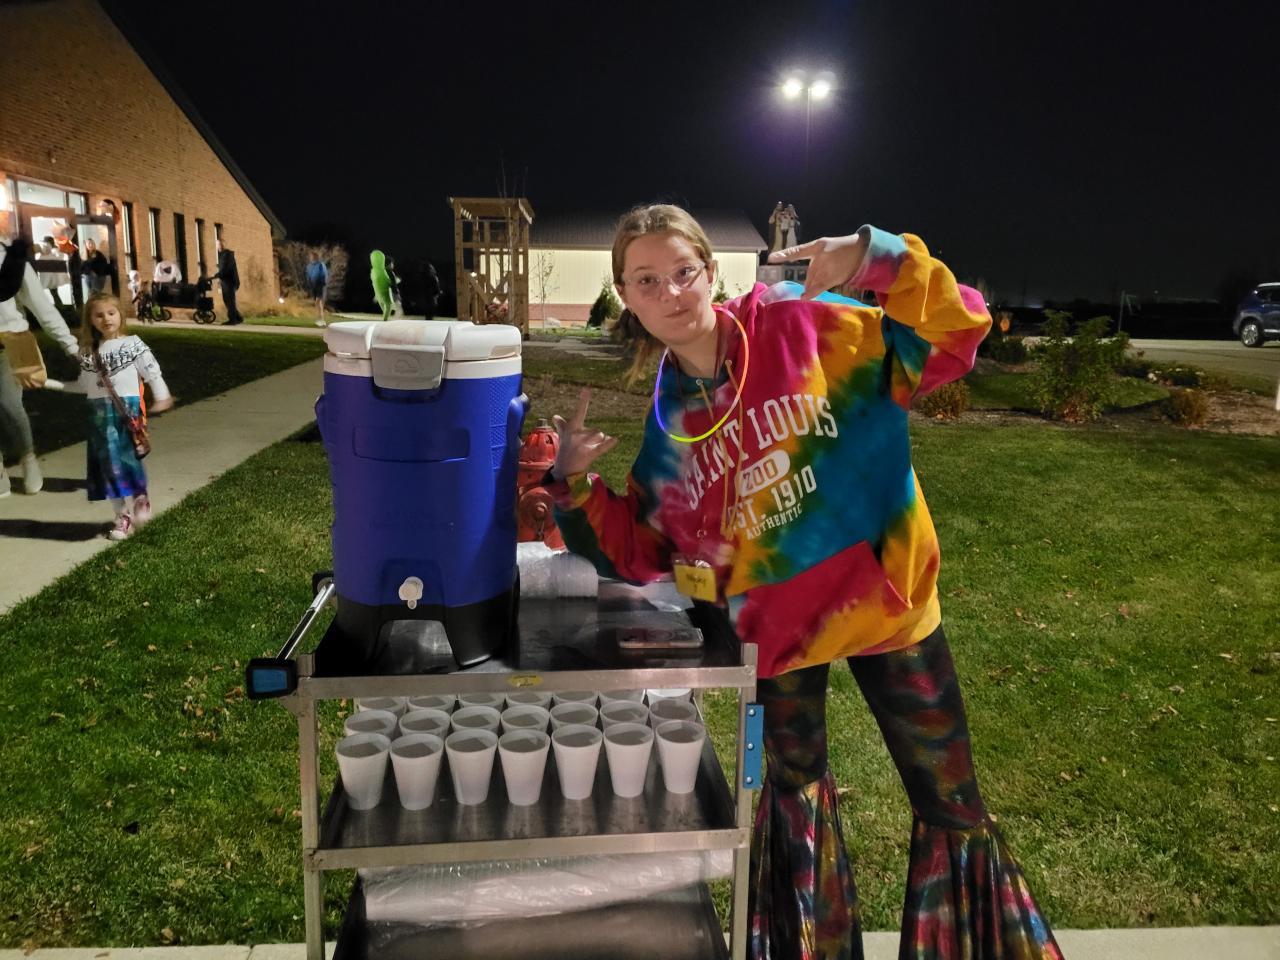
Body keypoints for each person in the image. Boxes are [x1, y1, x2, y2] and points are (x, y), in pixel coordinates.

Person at [547, 204, 1063, 959]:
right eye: (646, 281)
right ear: (626, 296)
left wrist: (876, 259)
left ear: (710, 272)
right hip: (780, 641)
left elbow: (953, 333)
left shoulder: (800, 323)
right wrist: (572, 485)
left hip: (887, 603)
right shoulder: (671, 423)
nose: (671, 294)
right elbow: (645, 549)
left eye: (683, 272)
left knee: (951, 804)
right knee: (794, 804)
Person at [65, 293, 173, 540]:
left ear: (120, 315)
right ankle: (121, 516)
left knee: (128, 459)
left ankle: (140, 499)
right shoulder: (87, 352)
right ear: (90, 320)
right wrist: (47, 383)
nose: (106, 319)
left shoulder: (133, 344)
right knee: (107, 466)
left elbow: (152, 373)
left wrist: (162, 396)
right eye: (99, 315)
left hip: (127, 412)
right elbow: (84, 386)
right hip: (99, 416)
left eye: (111, 313)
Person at [0, 238, 80, 497]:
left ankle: (28, 457)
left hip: (8, 342)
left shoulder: (11, 259)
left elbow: (41, 306)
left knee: (9, 405)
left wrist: (70, 345)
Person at [212, 237, 243, 325]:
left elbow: (225, 268)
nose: (219, 246)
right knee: (227, 300)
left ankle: (232, 320)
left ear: (224, 245)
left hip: (230, 281)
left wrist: (217, 275)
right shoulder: (222, 255)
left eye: (220, 244)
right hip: (226, 281)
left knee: (230, 301)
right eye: (217, 244)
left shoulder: (227, 255)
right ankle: (238, 317)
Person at [305, 251, 328, 327]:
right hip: (313, 286)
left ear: (315, 257)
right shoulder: (309, 266)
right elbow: (308, 275)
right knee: (317, 303)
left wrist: (323, 282)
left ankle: (321, 320)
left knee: (318, 301)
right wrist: (309, 283)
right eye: (310, 256)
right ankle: (319, 319)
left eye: (312, 256)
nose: (310, 257)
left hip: (319, 285)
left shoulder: (320, 264)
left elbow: (324, 274)